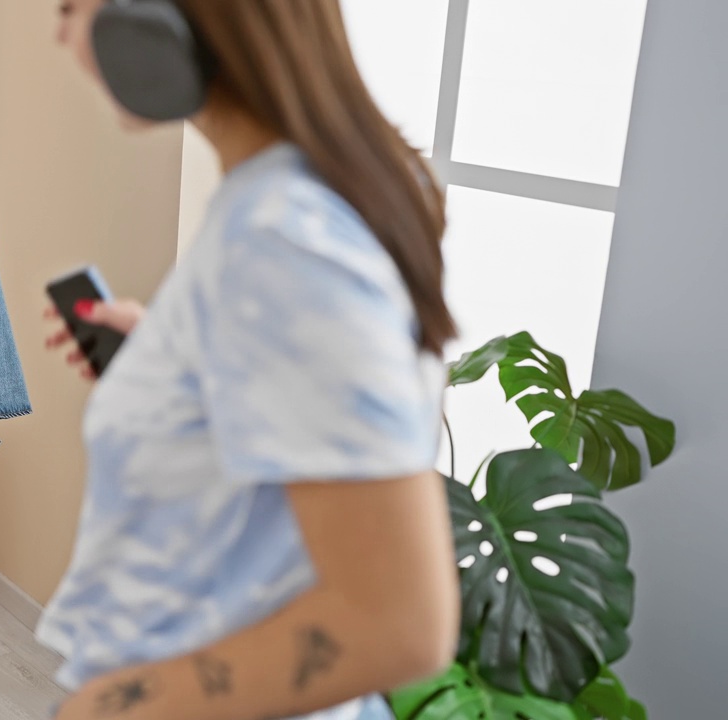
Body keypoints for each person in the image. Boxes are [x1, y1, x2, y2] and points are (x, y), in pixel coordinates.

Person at [39, 2, 461, 719]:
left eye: (71, 6)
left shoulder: (279, 236)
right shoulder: (290, 201)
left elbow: (398, 622)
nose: (59, 33)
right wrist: (172, 359)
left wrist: (109, 706)